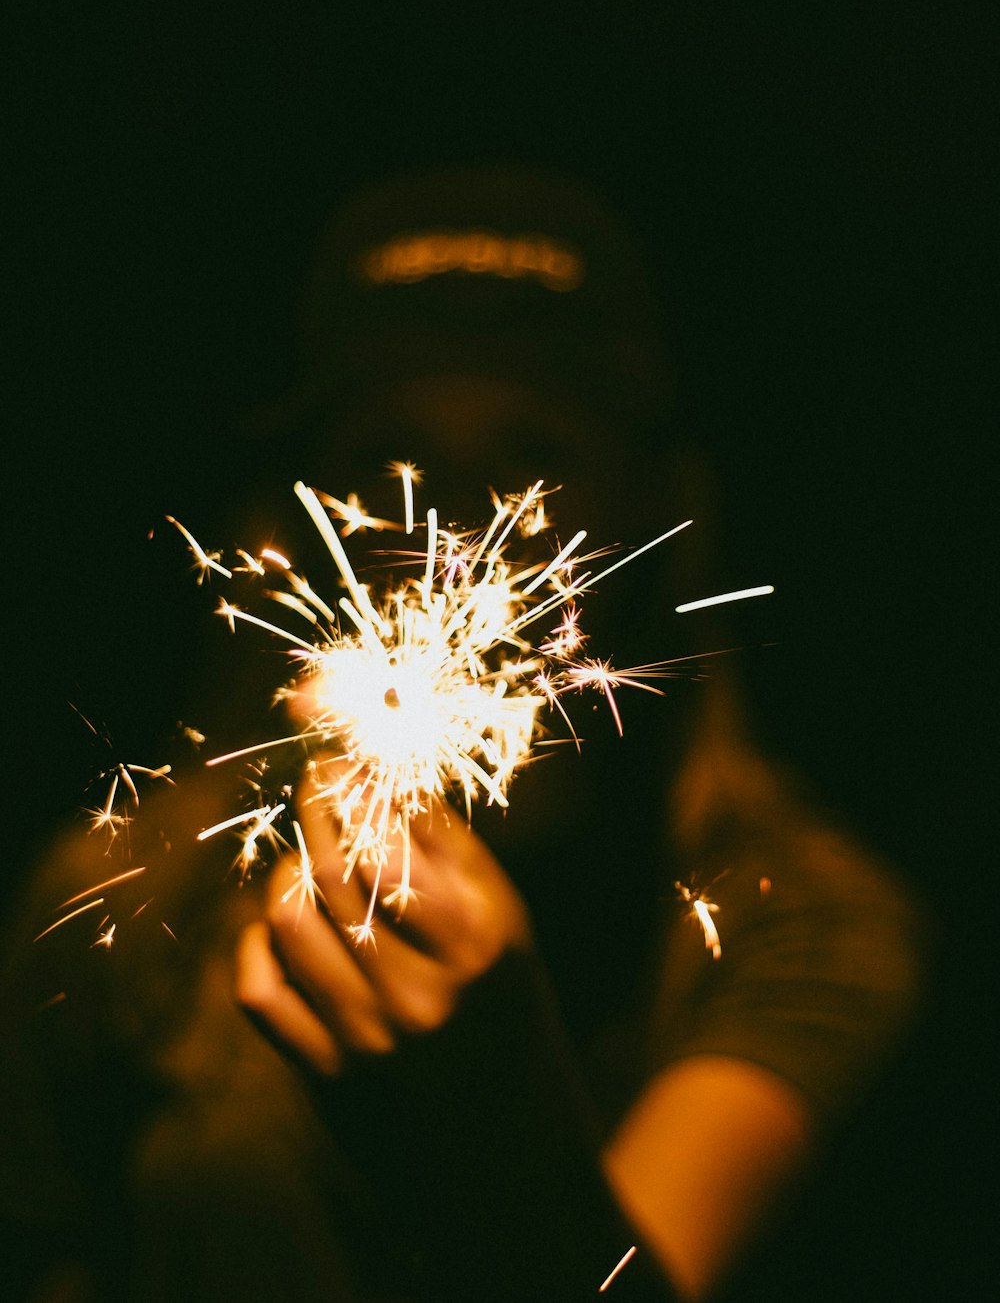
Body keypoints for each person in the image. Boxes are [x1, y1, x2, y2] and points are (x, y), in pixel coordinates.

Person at [1, 166, 921, 1301]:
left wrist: (492, 1105)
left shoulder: (803, 923)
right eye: (389, 450)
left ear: (651, 503)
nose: (447, 521)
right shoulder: (123, 894)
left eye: (533, 453)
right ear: (300, 511)